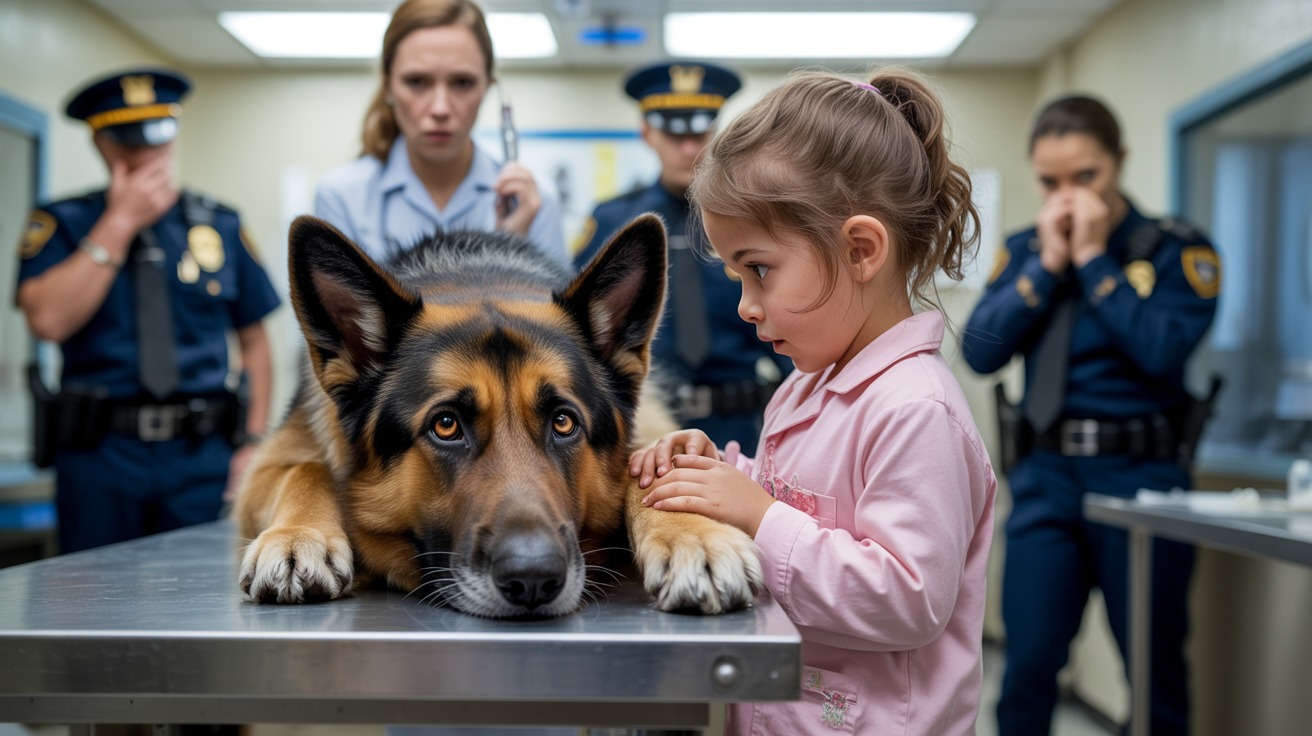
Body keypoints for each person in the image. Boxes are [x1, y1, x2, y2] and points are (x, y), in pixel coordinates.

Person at [630, 69, 998, 735]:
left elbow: (907, 599)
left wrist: (758, 517)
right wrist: (716, 473)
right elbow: (796, 499)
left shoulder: (917, 410)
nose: (745, 304)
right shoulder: (804, 386)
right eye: (737, 276)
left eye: (760, 269)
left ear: (861, 250)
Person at [961, 95, 1221, 735]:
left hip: (1143, 480)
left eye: (1087, 177)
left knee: (1153, 668)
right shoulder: (1027, 249)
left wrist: (1095, 262)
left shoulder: (1172, 250)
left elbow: (1163, 349)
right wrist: (1047, 269)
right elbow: (979, 350)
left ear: (1119, 163)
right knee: (1027, 667)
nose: (1068, 196)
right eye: (1051, 182)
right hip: (1047, 480)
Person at [16, 68, 280, 554]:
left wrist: (254, 445)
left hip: (202, 453)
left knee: (203, 596)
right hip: (100, 456)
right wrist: (119, 222)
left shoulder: (219, 224)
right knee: (93, 603)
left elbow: (254, 342)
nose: (146, 153)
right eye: (128, 140)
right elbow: (48, 319)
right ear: (100, 142)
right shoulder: (64, 223)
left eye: (157, 138)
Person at [575, 60, 791, 454]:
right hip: (645, 428)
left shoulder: (754, 220)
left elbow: (790, 328)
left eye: (698, 132)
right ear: (646, 133)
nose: (688, 148)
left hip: (741, 431)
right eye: (672, 135)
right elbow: (578, 334)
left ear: (715, 131)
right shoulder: (614, 223)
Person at [314, 0, 566, 266]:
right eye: (416, 82)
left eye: (462, 83)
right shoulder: (342, 196)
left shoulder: (533, 202)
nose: (440, 109)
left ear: (487, 87)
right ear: (388, 86)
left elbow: (557, 308)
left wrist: (515, 250)